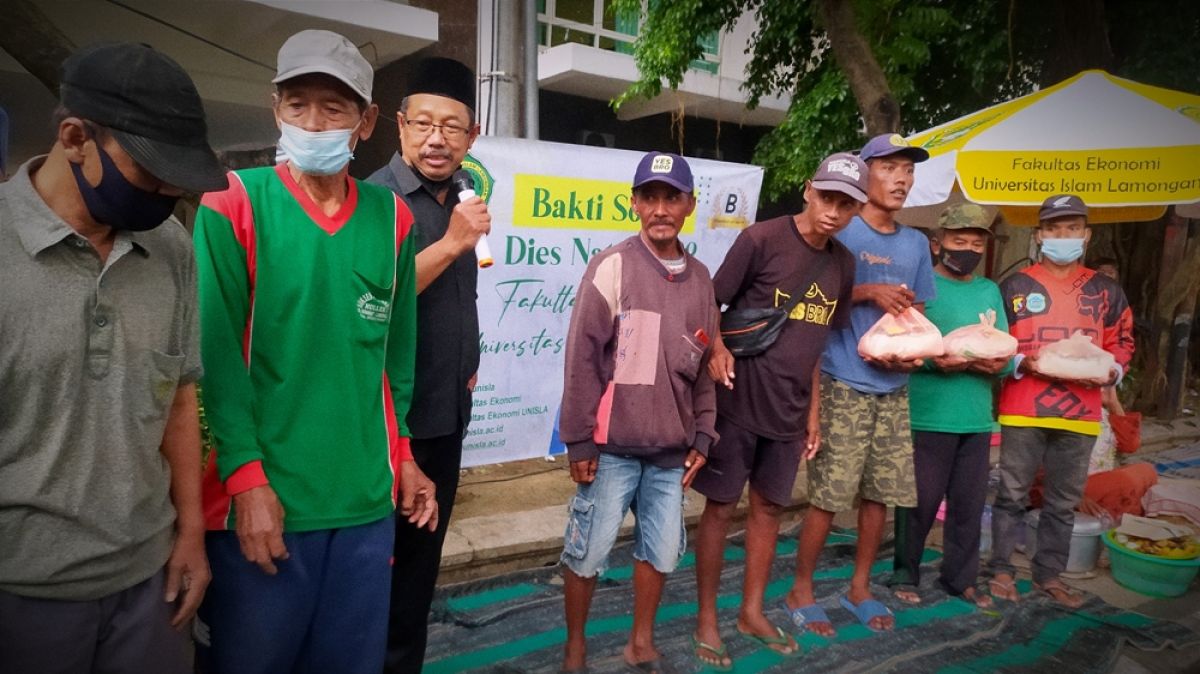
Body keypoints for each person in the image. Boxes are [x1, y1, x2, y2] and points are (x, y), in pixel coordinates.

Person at [193, 30, 435, 673]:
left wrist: (404, 456)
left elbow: (394, 360)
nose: (313, 123)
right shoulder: (232, 203)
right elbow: (217, 363)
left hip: (365, 508)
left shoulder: (393, 219)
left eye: (333, 108)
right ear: (275, 109)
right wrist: (247, 481)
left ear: (366, 122)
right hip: (263, 507)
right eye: (297, 105)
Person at [0, 42, 227, 672]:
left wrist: (190, 534)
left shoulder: (170, 247)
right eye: (150, 170)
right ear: (76, 139)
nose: (169, 190)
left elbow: (178, 396)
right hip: (22, 593)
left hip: (151, 583)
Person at [689, 153, 863, 668]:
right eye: (827, 197)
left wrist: (813, 413)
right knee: (721, 508)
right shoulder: (761, 239)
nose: (833, 211)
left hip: (790, 413)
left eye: (846, 204)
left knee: (769, 510)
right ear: (808, 190)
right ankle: (706, 619)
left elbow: (817, 341)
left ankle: (751, 612)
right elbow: (710, 304)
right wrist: (716, 348)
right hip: (737, 401)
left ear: (856, 210)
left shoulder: (843, 263)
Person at [558, 152, 718, 674]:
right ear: (634, 203)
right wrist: (579, 438)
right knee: (588, 550)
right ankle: (576, 648)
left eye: (672, 197)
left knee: (663, 550)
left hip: (671, 453)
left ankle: (641, 642)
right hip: (610, 449)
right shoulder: (613, 265)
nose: (660, 208)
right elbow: (582, 356)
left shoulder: (701, 280)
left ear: (689, 205)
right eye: (649, 197)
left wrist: (704, 434)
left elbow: (704, 365)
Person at [366, 56, 492, 673]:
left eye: (451, 126)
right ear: (400, 125)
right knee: (376, 570)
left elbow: (457, 297)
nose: (436, 138)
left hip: (446, 417)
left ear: (473, 135)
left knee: (418, 573)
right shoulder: (374, 200)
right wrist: (451, 243)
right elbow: (374, 300)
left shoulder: (465, 197)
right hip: (387, 424)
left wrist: (468, 356)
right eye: (423, 123)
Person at [782, 133, 936, 635]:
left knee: (880, 495)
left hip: (893, 388)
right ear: (865, 174)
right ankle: (801, 589)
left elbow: (919, 315)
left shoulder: (916, 244)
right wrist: (869, 291)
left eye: (908, 170)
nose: (901, 179)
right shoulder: (841, 231)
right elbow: (809, 303)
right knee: (829, 495)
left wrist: (914, 351)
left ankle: (860, 588)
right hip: (841, 380)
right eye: (890, 168)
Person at [987, 194, 1134, 608]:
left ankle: (1048, 575)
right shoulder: (1014, 286)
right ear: (1039, 235)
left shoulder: (1106, 291)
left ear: (1086, 235)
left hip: (1081, 413)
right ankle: (1000, 569)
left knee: (1063, 502)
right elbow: (992, 338)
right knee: (1011, 494)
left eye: (1072, 228)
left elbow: (1123, 342)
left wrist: (1112, 372)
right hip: (1023, 408)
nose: (1063, 235)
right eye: (1053, 228)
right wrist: (1021, 362)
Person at [887, 204, 1010, 609]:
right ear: (937, 244)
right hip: (928, 414)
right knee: (918, 501)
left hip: (976, 418)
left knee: (968, 505)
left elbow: (1004, 348)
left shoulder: (989, 291)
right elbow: (903, 345)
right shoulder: (921, 290)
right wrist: (932, 361)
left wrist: (999, 364)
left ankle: (961, 578)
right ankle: (905, 573)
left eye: (976, 243)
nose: (968, 249)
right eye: (959, 241)